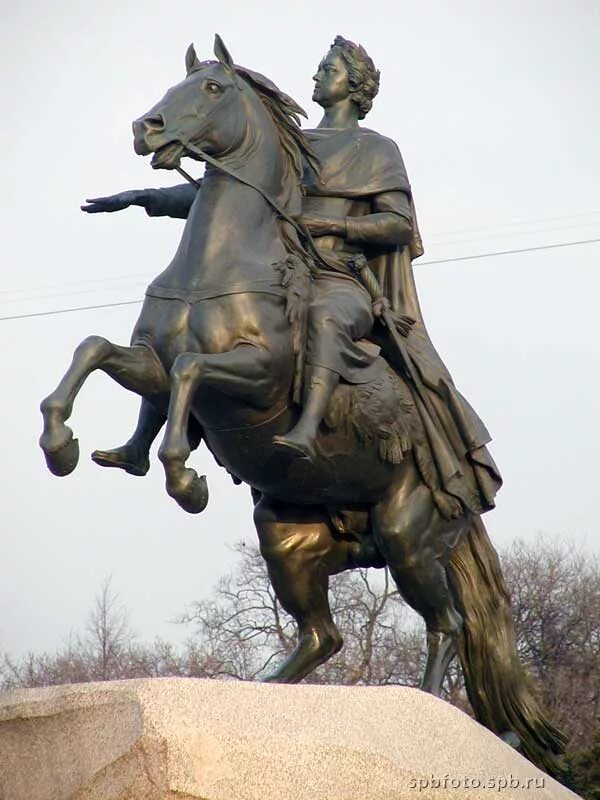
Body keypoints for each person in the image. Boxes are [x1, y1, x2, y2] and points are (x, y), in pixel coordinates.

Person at [85, 36, 501, 517]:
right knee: (193, 315)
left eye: (330, 69)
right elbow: (228, 194)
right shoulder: (291, 143)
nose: (317, 77)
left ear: (357, 86)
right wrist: (144, 197)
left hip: (341, 277)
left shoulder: (376, 149)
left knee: (324, 317)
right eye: (321, 69)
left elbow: (398, 225)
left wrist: (332, 224)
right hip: (281, 267)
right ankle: (143, 442)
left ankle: (307, 429)